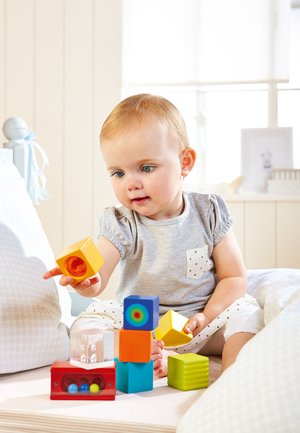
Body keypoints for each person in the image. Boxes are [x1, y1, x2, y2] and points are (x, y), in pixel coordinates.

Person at [44, 94, 264, 377]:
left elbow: (234, 277)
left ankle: (234, 380)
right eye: (118, 173)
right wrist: (84, 282)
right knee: (82, 330)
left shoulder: (209, 210)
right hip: (138, 329)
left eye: (146, 168)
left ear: (185, 162)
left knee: (249, 316)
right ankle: (134, 350)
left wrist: (206, 316)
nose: (131, 184)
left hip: (199, 322)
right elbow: (97, 282)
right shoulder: (121, 222)